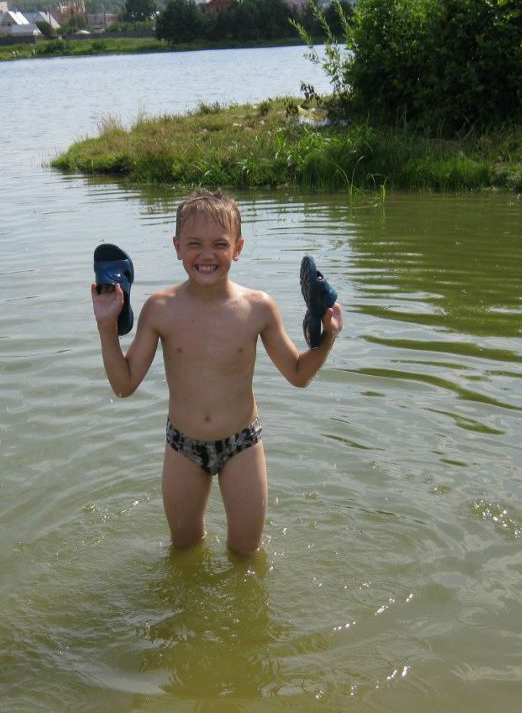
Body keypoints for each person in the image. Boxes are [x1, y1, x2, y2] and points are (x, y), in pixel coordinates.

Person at [91, 189, 343, 555]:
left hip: (242, 444)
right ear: (177, 247)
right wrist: (107, 325)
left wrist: (328, 337)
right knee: (184, 551)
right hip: (182, 446)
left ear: (238, 247)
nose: (206, 255)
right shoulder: (160, 309)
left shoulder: (258, 308)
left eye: (219, 244)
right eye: (194, 243)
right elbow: (124, 384)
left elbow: (298, 374)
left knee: (245, 554)